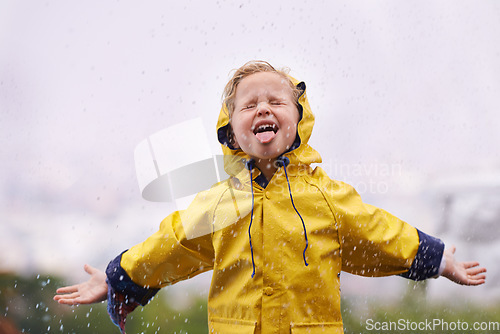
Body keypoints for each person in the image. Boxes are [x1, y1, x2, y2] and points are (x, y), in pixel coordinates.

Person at [54, 60, 486, 334]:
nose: (263, 108)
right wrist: (118, 278)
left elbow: (379, 232)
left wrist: (441, 259)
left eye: (276, 100)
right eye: (249, 105)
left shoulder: (328, 198)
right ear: (232, 132)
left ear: (299, 120)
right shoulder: (218, 205)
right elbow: (171, 243)